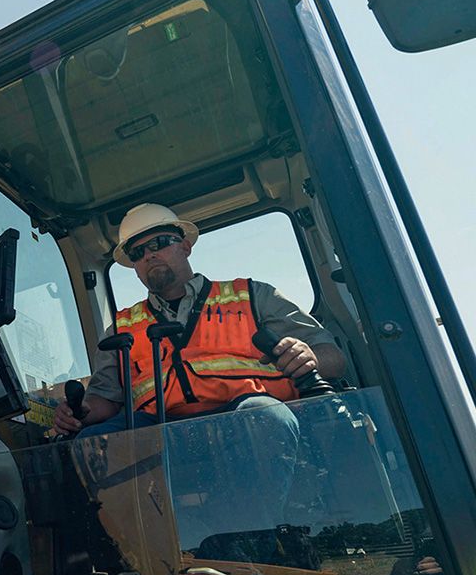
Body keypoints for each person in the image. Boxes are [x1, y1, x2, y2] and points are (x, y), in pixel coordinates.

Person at [53, 203, 346, 546]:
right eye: (137, 252)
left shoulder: (253, 296)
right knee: (92, 443)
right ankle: (140, 556)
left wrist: (307, 355)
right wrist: (75, 413)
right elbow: (103, 399)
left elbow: (332, 357)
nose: (149, 256)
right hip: (162, 430)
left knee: (264, 417)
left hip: (241, 418)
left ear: (185, 245)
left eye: (159, 242)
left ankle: (252, 545)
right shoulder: (121, 328)